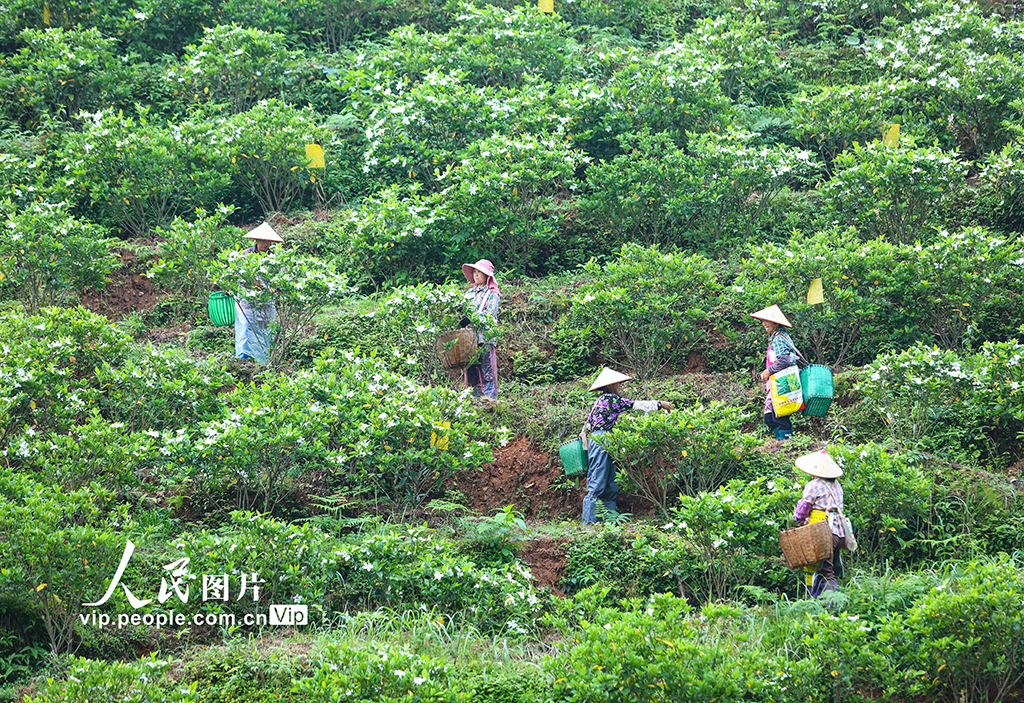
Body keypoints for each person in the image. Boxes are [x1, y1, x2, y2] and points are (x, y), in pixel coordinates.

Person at [580, 367, 674, 524]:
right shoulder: (611, 399)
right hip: (602, 439)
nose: (619, 387)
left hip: (602, 439)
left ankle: (608, 520)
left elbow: (587, 424)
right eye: (617, 384)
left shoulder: (601, 400)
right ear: (611, 385)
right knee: (598, 480)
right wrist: (660, 404)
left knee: (609, 480)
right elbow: (636, 405)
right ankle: (589, 522)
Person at [792, 450, 847, 598]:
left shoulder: (814, 485)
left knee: (824, 571)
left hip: (823, 533)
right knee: (828, 569)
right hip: (839, 533)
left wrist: (797, 519)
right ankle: (823, 603)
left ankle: (830, 605)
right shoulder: (837, 486)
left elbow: (802, 509)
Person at [750, 304, 803, 441]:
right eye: (763, 321)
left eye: (767, 321)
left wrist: (768, 371)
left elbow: (784, 359)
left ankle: (787, 444)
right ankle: (783, 441)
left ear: (775, 322)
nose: (764, 324)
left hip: (783, 381)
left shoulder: (779, 338)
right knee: (769, 417)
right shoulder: (777, 336)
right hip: (778, 381)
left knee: (779, 414)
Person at [234, 222, 283, 363]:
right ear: (256, 240)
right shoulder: (246, 254)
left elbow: (279, 281)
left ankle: (263, 360)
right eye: (263, 241)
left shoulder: (274, 258)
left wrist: (273, 288)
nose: (265, 244)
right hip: (247, 302)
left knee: (265, 330)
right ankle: (243, 360)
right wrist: (251, 283)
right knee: (245, 328)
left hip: (265, 301)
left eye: (268, 241)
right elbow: (238, 275)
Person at [462, 259, 500, 400]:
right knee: (470, 370)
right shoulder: (469, 293)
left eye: (480, 272)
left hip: (485, 337)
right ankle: (474, 400)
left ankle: (490, 400)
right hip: (469, 339)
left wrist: (472, 319)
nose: (476, 275)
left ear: (487, 275)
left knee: (487, 369)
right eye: (475, 272)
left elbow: (490, 314)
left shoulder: (492, 294)